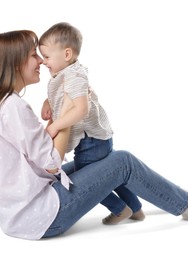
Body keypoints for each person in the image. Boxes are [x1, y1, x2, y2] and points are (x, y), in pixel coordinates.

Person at [0, 30, 188, 240]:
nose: (40, 61)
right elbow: (51, 163)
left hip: (22, 214)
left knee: (103, 163)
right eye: (33, 55)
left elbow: (38, 161)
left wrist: (58, 120)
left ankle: (178, 195)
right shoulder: (12, 107)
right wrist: (67, 114)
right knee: (122, 162)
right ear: (15, 61)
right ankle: (187, 206)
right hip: (43, 217)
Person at [38, 22, 144, 225]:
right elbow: (63, 95)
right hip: (94, 140)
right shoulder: (64, 74)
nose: (44, 62)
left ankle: (120, 209)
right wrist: (48, 102)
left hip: (90, 142)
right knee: (109, 175)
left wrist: (56, 125)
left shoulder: (75, 77)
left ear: (67, 54)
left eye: (47, 57)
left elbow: (81, 109)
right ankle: (136, 209)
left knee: (89, 181)